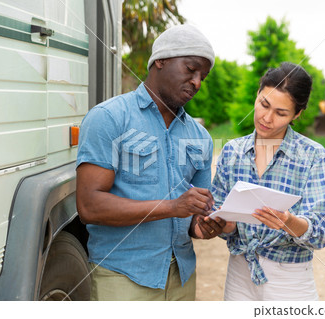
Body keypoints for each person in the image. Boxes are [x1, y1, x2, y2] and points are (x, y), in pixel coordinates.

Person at [76, 24, 227, 301]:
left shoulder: (200, 136)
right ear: (160, 60)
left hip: (182, 277)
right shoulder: (109, 118)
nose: (197, 82)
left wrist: (203, 225)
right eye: (190, 69)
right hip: (122, 277)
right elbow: (89, 206)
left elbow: (195, 216)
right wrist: (172, 207)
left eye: (202, 76)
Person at [212, 62, 325, 301]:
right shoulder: (232, 151)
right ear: (257, 94)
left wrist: (288, 222)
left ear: (297, 114)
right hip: (239, 274)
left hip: (289, 281)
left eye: (281, 113)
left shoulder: (312, 155)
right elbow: (220, 218)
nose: (267, 118)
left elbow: (322, 232)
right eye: (263, 104)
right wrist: (223, 223)